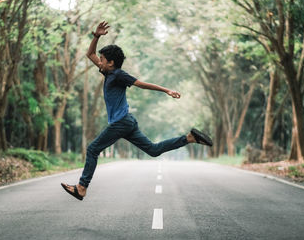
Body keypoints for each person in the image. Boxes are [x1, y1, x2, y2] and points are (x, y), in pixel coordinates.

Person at [61, 21, 212, 201]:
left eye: (102, 60)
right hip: (127, 122)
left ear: (111, 63)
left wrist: (166, 90)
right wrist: (96, 36)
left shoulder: (118, 74)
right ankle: (189, 138)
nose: (98, 62)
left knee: (93, 149)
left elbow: (140, 84)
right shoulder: (107, 71)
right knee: (153, 150)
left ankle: (82, 187)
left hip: (121, 123)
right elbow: (90, 53)